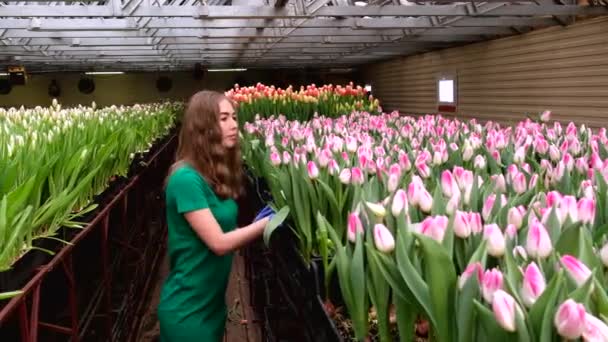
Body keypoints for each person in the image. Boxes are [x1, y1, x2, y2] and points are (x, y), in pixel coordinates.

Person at [157, 90, 274, 342]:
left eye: (234, 117)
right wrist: (267, 223)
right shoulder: (185, 179)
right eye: (223, 118)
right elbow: (219, 244)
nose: (233, 124)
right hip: (187, 311)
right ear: (203, 126)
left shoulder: (213, 175)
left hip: (211, 305)